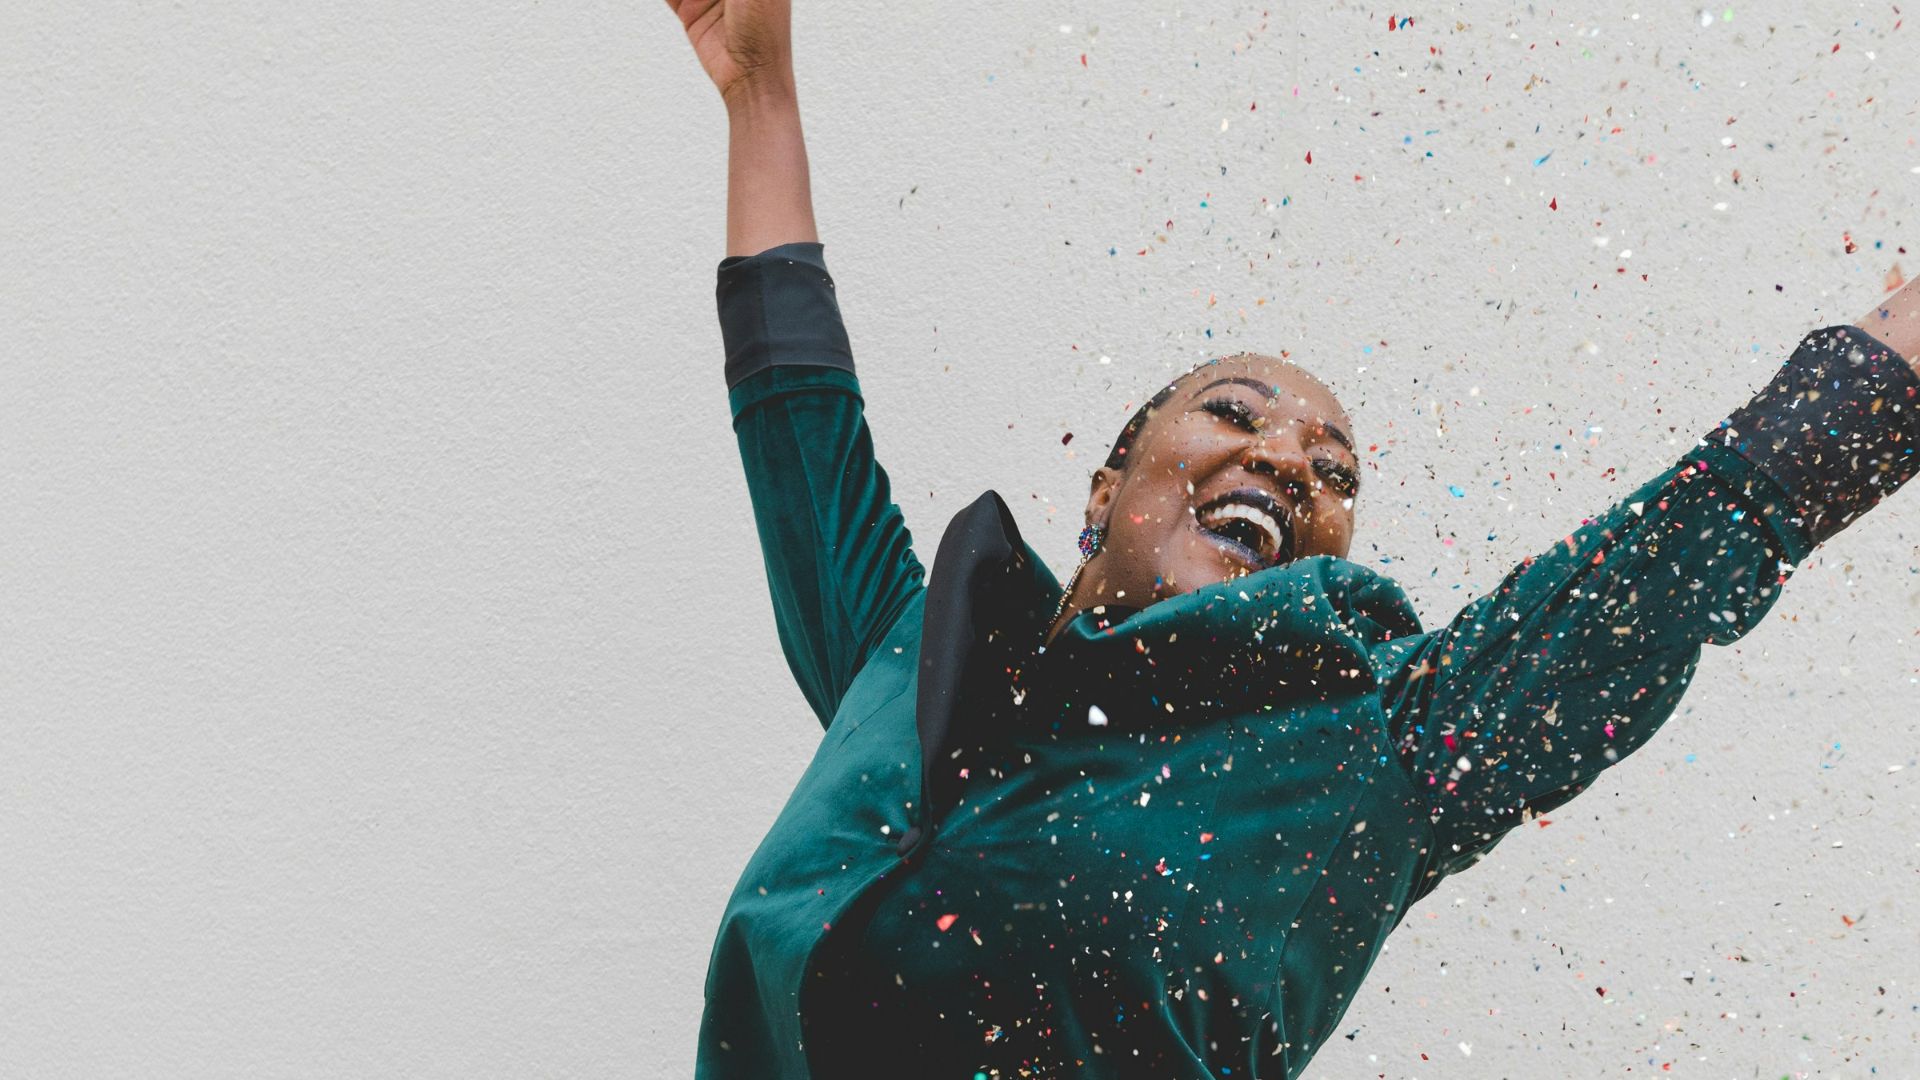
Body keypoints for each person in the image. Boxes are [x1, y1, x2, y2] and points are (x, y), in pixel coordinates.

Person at [667, 1, 1920, 1075]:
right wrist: (760, 94)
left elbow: (1683, 545)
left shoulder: (1370, 752)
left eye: (1334, 473)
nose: (1285, 460)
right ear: (1106, 488)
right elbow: (798, 412)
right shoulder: (908, 655)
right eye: (1233, 413)